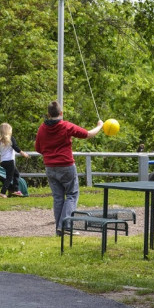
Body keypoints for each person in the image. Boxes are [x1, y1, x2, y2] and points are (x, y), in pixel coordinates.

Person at [34, 100, 103, 236]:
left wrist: (49, 155)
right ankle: (66, 226)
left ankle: (59, 229)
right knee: (72, 195)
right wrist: (100, 126)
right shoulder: (65, 126)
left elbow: (38, 148)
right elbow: (88, 134)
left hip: (50, 167)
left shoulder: (42, 128)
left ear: (48, 114)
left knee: (58, 198)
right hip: (66, 165)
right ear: (61, 113)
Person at [0, 122, 29, 198]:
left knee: (16, 174)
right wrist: (23, 153)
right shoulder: (11, 139)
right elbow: (15, 147)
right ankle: (3, 193)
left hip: (3, 162)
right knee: (9, 177)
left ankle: (15, 190)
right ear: (8, 131)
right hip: (10, 161)